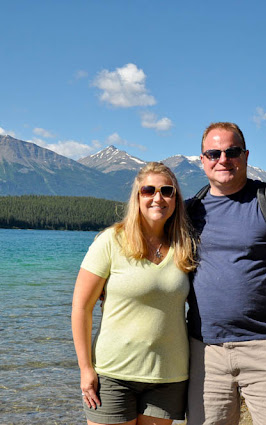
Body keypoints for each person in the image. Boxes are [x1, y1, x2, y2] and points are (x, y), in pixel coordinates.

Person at [186, 122, 266, 425]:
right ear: (202, 160)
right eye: (214, 153)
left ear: (245, 156)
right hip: (204, 352)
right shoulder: (189, 210)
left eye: (232, 152)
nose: (223, 159)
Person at [71, 162, 196, 425]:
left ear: (176, 199)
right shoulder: (111, 241)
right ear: (137, 197)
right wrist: (85, 368)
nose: (157, 198)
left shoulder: (185, 246)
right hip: (113, 374)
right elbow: (81, 308)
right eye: (148, 190)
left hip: (168, 376)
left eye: (166, 191)